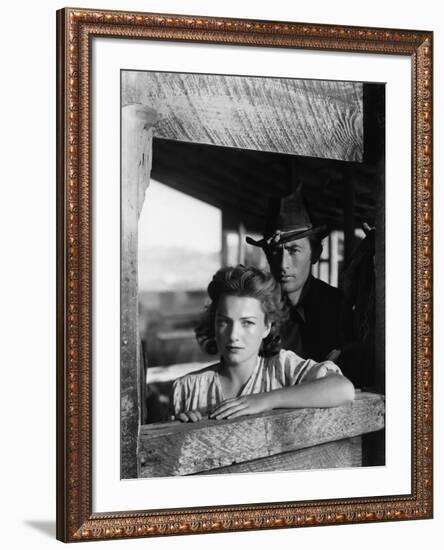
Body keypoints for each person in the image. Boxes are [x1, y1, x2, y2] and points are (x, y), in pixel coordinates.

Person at [171, 265, 354, 422]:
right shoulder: (187, 388)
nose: (233, 335)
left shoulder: (282, 368)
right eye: (224, 322)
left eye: (247, 323)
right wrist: (182, 425)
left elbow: (343, 389)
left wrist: (265, 400)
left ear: (266, 327)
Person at [246, 188, 353, 369]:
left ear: (316, 253)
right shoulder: (257, 309)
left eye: (293, 250)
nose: (282, 264)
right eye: (275, 251)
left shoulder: (339, 307)